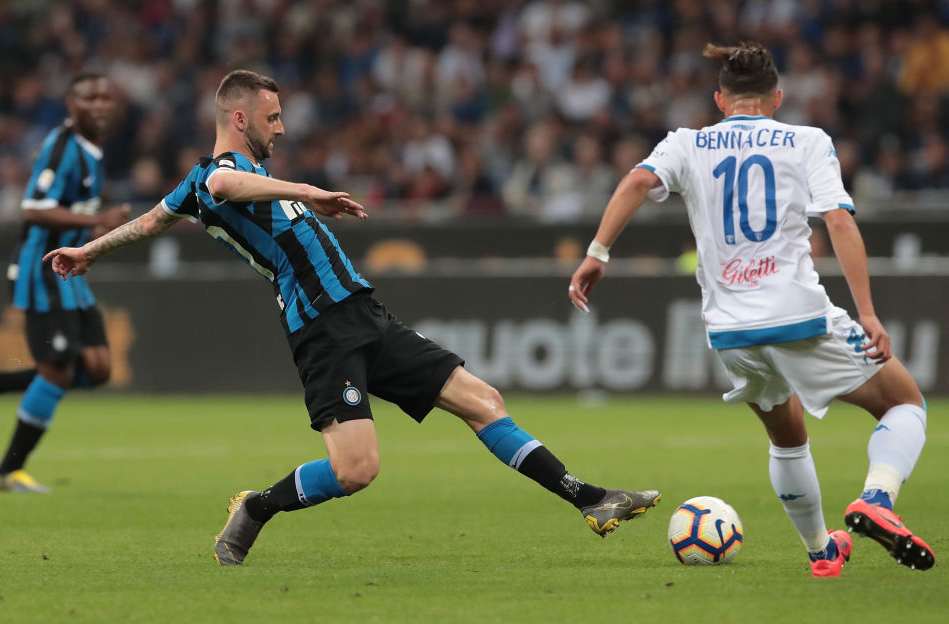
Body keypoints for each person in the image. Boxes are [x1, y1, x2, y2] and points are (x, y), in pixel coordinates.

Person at [42, 70, 660, 565]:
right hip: (320, 329)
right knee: (357, 470)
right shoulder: (212, 177)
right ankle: (256, 506)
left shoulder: (247, 176)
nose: (281, 127)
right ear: (239, 119)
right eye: (272, 117)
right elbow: (220, 190)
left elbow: (149, 222)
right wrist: (308, 192)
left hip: (364, 312)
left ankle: (590, 499)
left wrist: (89, 251)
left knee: (483, 400)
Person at [569, 42, 934, 578]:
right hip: (798, 315)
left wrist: (597, 253)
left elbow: (637, 181)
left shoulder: (687, 142)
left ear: (720, 100)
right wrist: (869, 314)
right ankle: (878, 499)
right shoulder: (807, 140)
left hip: (730, 330)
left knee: (786, 438)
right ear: (777, 98)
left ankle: (822, 553)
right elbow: (838, 221)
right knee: (905, 403)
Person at [0, 73, 131, 493]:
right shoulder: (62, 147)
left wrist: (94, 235)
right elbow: (34, 208)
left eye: (105, 97)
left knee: (98, 368)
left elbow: (72, 212)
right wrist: (99, 219)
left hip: (70, 269)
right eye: (89, 97)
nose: (99, 104)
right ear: (71, 104)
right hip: (42, 269)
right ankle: (7, 472)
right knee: (57, 371)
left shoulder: (92, 151)